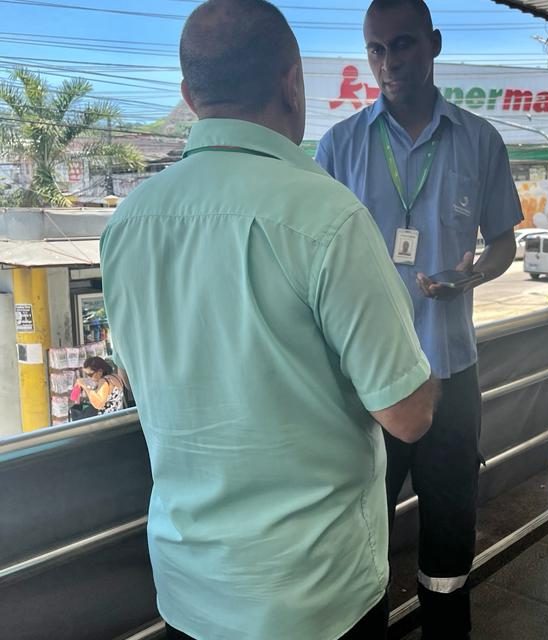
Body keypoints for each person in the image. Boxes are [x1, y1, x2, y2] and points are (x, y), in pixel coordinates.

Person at [100, 2, 436, 639]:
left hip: (190, 591)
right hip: (316, 598)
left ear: (189, 95)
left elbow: (143, 376)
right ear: (292, 83)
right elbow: (408, 413)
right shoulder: (327, 218)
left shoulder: (128, 223)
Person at [316, 1, 522, 636]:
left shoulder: (479, 140)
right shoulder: (340, 145)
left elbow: (505, 244)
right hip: (364, 387)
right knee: (361, 531)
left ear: (432, 44)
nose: (388, 62)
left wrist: (473, 275)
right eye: (375, 49)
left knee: (450, 528)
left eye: (401, 45)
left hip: (450, 374)